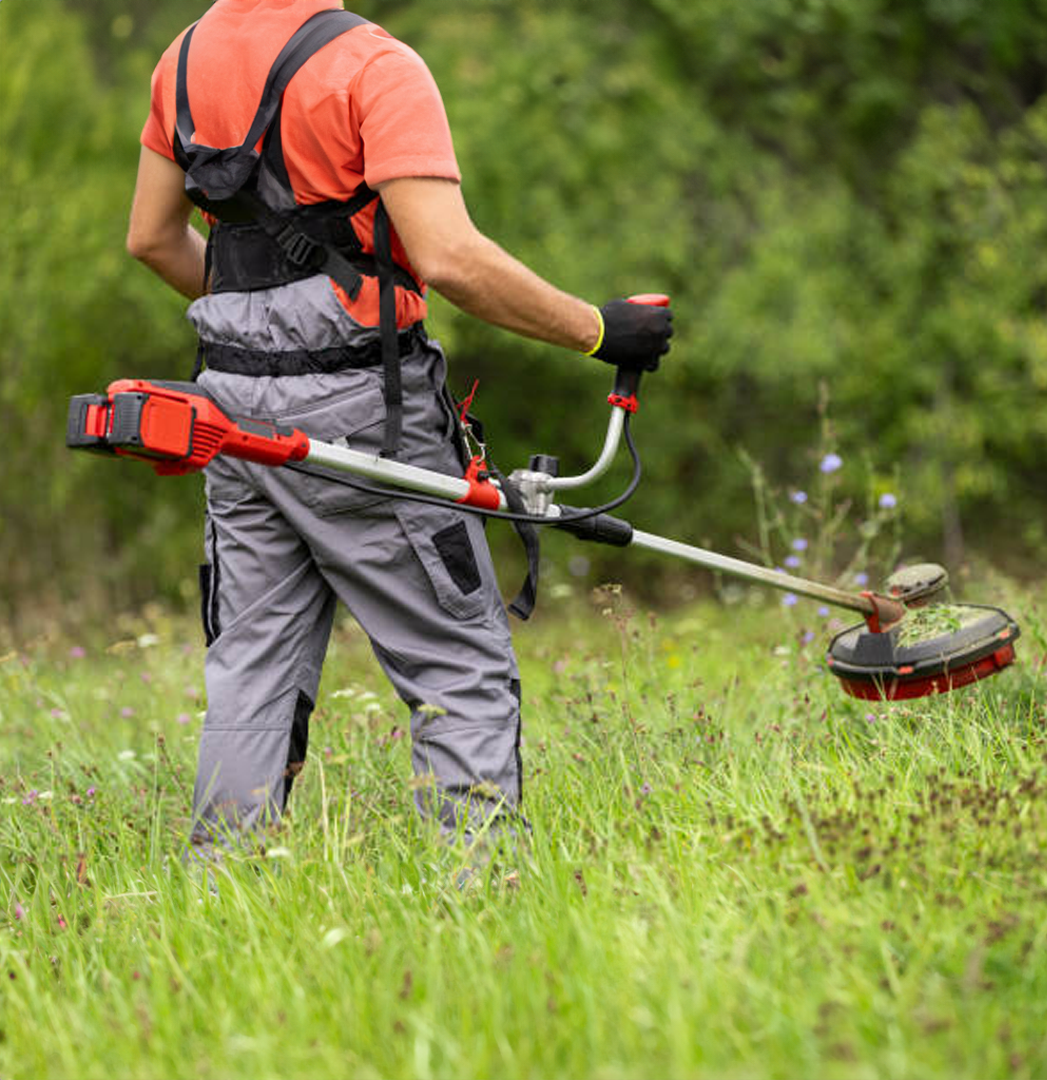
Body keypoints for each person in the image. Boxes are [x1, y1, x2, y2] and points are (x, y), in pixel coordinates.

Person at [127, 0, 673, 854]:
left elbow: (152, 240)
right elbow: (449, 258)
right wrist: (599, 331)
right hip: (363, 414)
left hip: (228, 409)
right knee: (457, 662)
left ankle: (221, 894)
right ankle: (480, 893)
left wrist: (261, 324)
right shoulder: (372, 65)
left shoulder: (183, 60)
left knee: (251, 669)